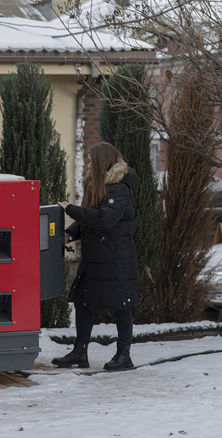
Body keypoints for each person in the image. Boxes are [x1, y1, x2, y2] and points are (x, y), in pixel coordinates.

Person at [52, 142, 139, 371]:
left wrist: (69, 208)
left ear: (100, 163)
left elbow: (104, 220)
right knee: (82, 301)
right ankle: (80, 353)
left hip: (116, 260)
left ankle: (124, 356)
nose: (87, 165)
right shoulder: (99, 187)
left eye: (90, 161)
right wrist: (71, 232)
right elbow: (89, 219)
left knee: (121, 306)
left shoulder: (118, 190)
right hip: (96, 259)